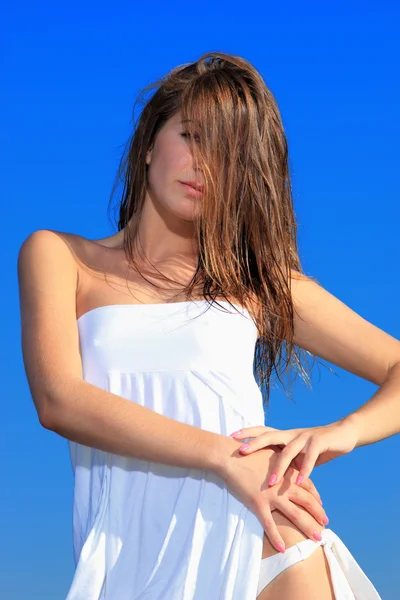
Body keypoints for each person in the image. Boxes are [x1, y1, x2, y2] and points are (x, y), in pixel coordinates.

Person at [17, 51, 397, 599]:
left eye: (229, 157)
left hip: (263, 533)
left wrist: (337, 435)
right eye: (192, 136)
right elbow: (59, 400)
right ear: (150, 142)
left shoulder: (259, 285)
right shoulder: (59, 258)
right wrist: (222, 457)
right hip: (132, 555)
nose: (203, 166)